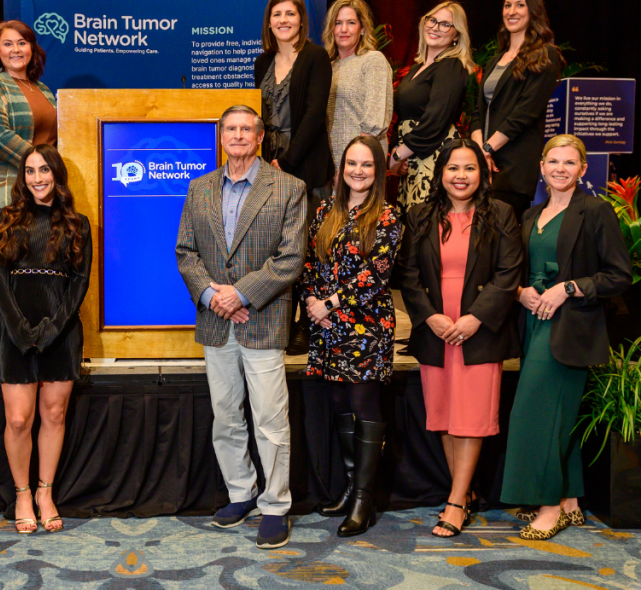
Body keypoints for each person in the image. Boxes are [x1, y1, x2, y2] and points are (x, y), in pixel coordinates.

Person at [176, 105, 306, 550]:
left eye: (246, 129)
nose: (237, 135)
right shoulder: (200, 188)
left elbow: (291, 258)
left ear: (260, 136)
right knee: (227, 414)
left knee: (269, 418)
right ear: (221, 136)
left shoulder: (288, 188)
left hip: (263, 319)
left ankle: (275, 505)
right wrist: (213, 296)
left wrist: (241, 294)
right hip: (216, 320)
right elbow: (186, 252)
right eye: (230, 129)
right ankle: (241, 492)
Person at [502, 135, 631, 540]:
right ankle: (570, 498)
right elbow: (517, 270)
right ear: (541, 166)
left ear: (583, 169)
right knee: (558, 415)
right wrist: (519, 292)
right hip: (533, 324)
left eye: (570, 162)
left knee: (537, 414)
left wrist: (569, 288)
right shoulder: (530, 214)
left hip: (571, 327)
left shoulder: (595, 210)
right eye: (553, 161)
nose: (561, 169)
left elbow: (619, 275)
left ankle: (550, 508)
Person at [395, 140, 522, 537]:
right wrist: (429, 316)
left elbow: (509, 273)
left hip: (478, 331)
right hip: (437, 330)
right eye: (453, 168)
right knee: (446, 415)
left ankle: (454, 501)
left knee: (470, 417)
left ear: (482, 174)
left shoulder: (500, 213)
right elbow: (407, 274)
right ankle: (462, 492)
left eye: (469, 168)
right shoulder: (420, 215)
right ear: (441, 173)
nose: (461, 176)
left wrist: (476, 318)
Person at [0, 145, 92, 534]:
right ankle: (22, 494)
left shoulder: (78, 224)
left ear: (57, 174)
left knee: (54, 415)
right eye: (30, 171)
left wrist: (52, 328)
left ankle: (45, 494)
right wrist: (18, 327)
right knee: (18, 420)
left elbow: (79, 282)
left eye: (44, 170)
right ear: (22, 178)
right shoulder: (6, 218)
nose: (37, 178)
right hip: (16, 331)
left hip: (61, 334)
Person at [302, 134, 402, 537]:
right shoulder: (326, 209)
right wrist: (312, 300)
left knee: (363, 401)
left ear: (378, 171)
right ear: (341, 168)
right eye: (352, 163)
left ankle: (364, 499)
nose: (358, 171)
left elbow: (375, 274)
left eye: (367, 164)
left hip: (367, 324)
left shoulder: (388, 216)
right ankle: (348, 489)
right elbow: (310, 261)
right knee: (339, 400)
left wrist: (329, 303)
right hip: (327, 325)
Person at [252, 0, 334, 355]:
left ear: (301, 20)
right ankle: (281, 319)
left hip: (303, 166)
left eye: (290, 14)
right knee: (276, 247)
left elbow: (315, 115)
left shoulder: (316, 57)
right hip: (268, 165)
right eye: (277, 14)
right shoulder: (262, 62)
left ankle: (305, 323)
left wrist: (286, 163)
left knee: (308, 249)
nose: (283, 20)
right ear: (269, 22)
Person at [471, 0, 564, 221]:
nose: (512, 12)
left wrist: (488, 149)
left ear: (533, 10)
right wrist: (479, 152)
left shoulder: (545, 55)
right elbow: (478, 113)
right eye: (507, 5)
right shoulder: (494, 61)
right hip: (482, 165)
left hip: (512, 168)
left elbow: (525, 113)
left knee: (503, 238)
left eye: (520, 5)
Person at [0, 21, 57, 238]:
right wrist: (46, 166)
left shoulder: (43, 90)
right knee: (3, 258)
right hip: (2, 196)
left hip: (41, 194)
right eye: (7, 44)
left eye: (22, 43)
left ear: (32, 48)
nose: (16, 49)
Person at [390, 2, 477, 216]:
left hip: (433, 157)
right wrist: (396, 154)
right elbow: (403, 117)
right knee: (411, 225)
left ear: (457, 35)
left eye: (446, 24)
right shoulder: (417, 69)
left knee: (427, 224)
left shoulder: (451, 65)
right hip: (412, 158)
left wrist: (399, 154)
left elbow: (436, 119)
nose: (436, 27)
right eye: (433, 20)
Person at [322, 0, 393, 165]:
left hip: (362, 160)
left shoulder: (373, 60)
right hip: (331, 161)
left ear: (362, 28)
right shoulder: (329, 67)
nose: (343, 29)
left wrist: (353, 164)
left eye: (351, 23)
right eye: (338, 23)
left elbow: (374, 120)